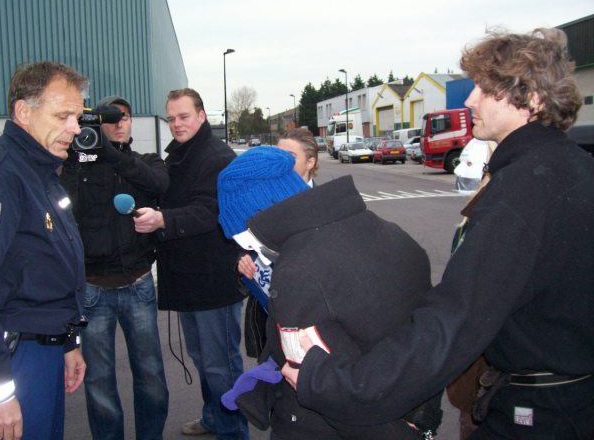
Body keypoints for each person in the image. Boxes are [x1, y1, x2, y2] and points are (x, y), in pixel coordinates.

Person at [282, 28, 594, 439]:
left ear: (532, 99)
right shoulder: (572, 166)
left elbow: (452, 323)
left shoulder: (523, 191)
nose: (469, 100)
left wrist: (334, 381)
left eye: (484, 89)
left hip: (541, 415)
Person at [216, 146, 442, 439]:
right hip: (410, 403)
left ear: (260, 216)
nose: (249, 249)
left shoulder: (298, 272)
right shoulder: (392, 233)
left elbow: (332, 392)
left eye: (245, 238)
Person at [0, 61, 89, 440]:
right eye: (63, 116)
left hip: (43, 351)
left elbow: (46, 271)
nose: (75, 129)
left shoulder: (40, 172)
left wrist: (67, 342)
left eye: (77, 117)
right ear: (23, 112)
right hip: (12, 361)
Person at [133, 88, 248, 439]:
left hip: (213, 281)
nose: (176, 124)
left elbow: (209, 211)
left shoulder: (216, 156)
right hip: (188, 278)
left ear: (201, 116)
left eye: (184, 116)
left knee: (221, 365)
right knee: (204, 361)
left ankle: (233, 430)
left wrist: (163, 219)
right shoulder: (180, 155)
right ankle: (215, 417)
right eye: (171, 118)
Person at [60, 95, 169, 440]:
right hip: (92, 290)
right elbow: (62, 206)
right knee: (99, 382)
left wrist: (111, 154)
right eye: (110, 118)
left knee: (151, 376)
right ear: (96, 124)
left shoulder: (146, 160)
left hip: (138, 284)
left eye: (124, 117)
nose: (119, 122)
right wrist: (80, 161)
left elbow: (158, 185)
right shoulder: (78, 166)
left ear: (132, 122)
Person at [237, 128, 320, 358]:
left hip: (312, 320)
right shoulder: (258, 199)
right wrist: (241, 261)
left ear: (310, 161)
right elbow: (241, 245)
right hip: (267, 318)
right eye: (277, 156)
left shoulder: (328, 203)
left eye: (290, 157)